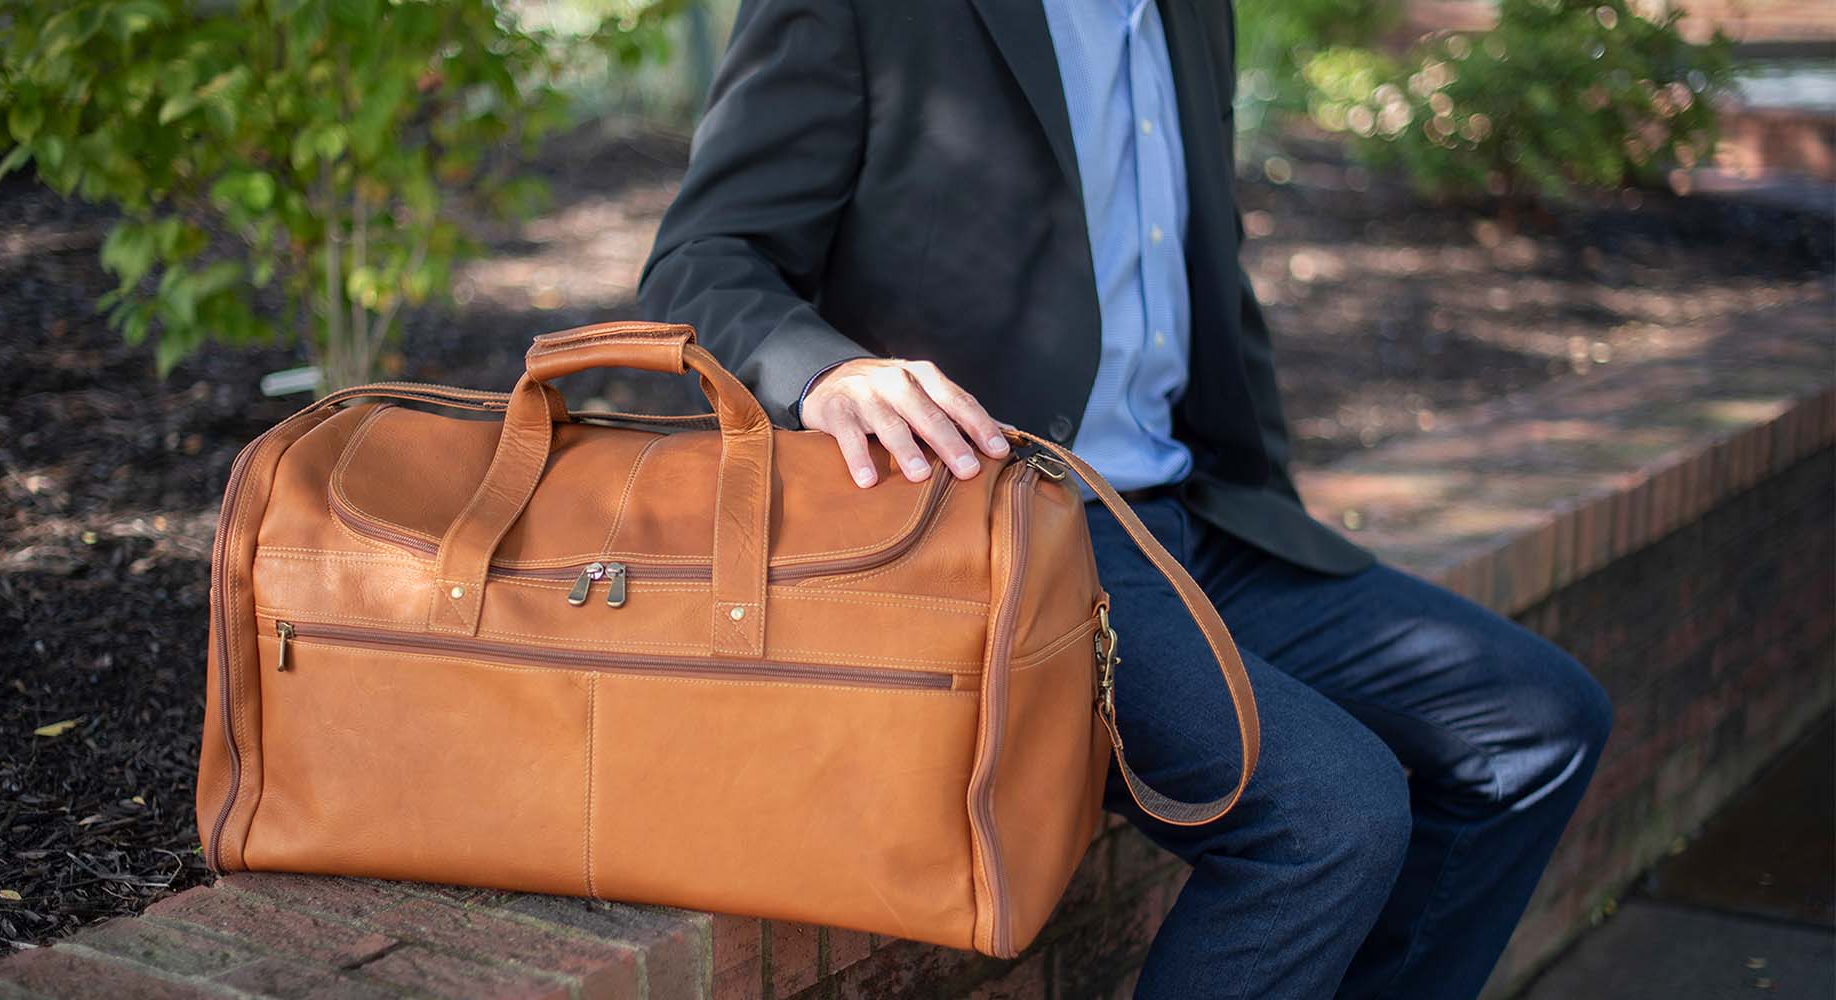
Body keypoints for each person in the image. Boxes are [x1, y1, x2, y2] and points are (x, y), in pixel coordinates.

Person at [638, 2, 1613, 997]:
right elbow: (700, 261)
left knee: (1536, 721)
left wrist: (1265, 487)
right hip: (1001, 546)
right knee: (1331, 813)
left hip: (1199, 518)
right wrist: (831, 375)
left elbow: (1206, 280)